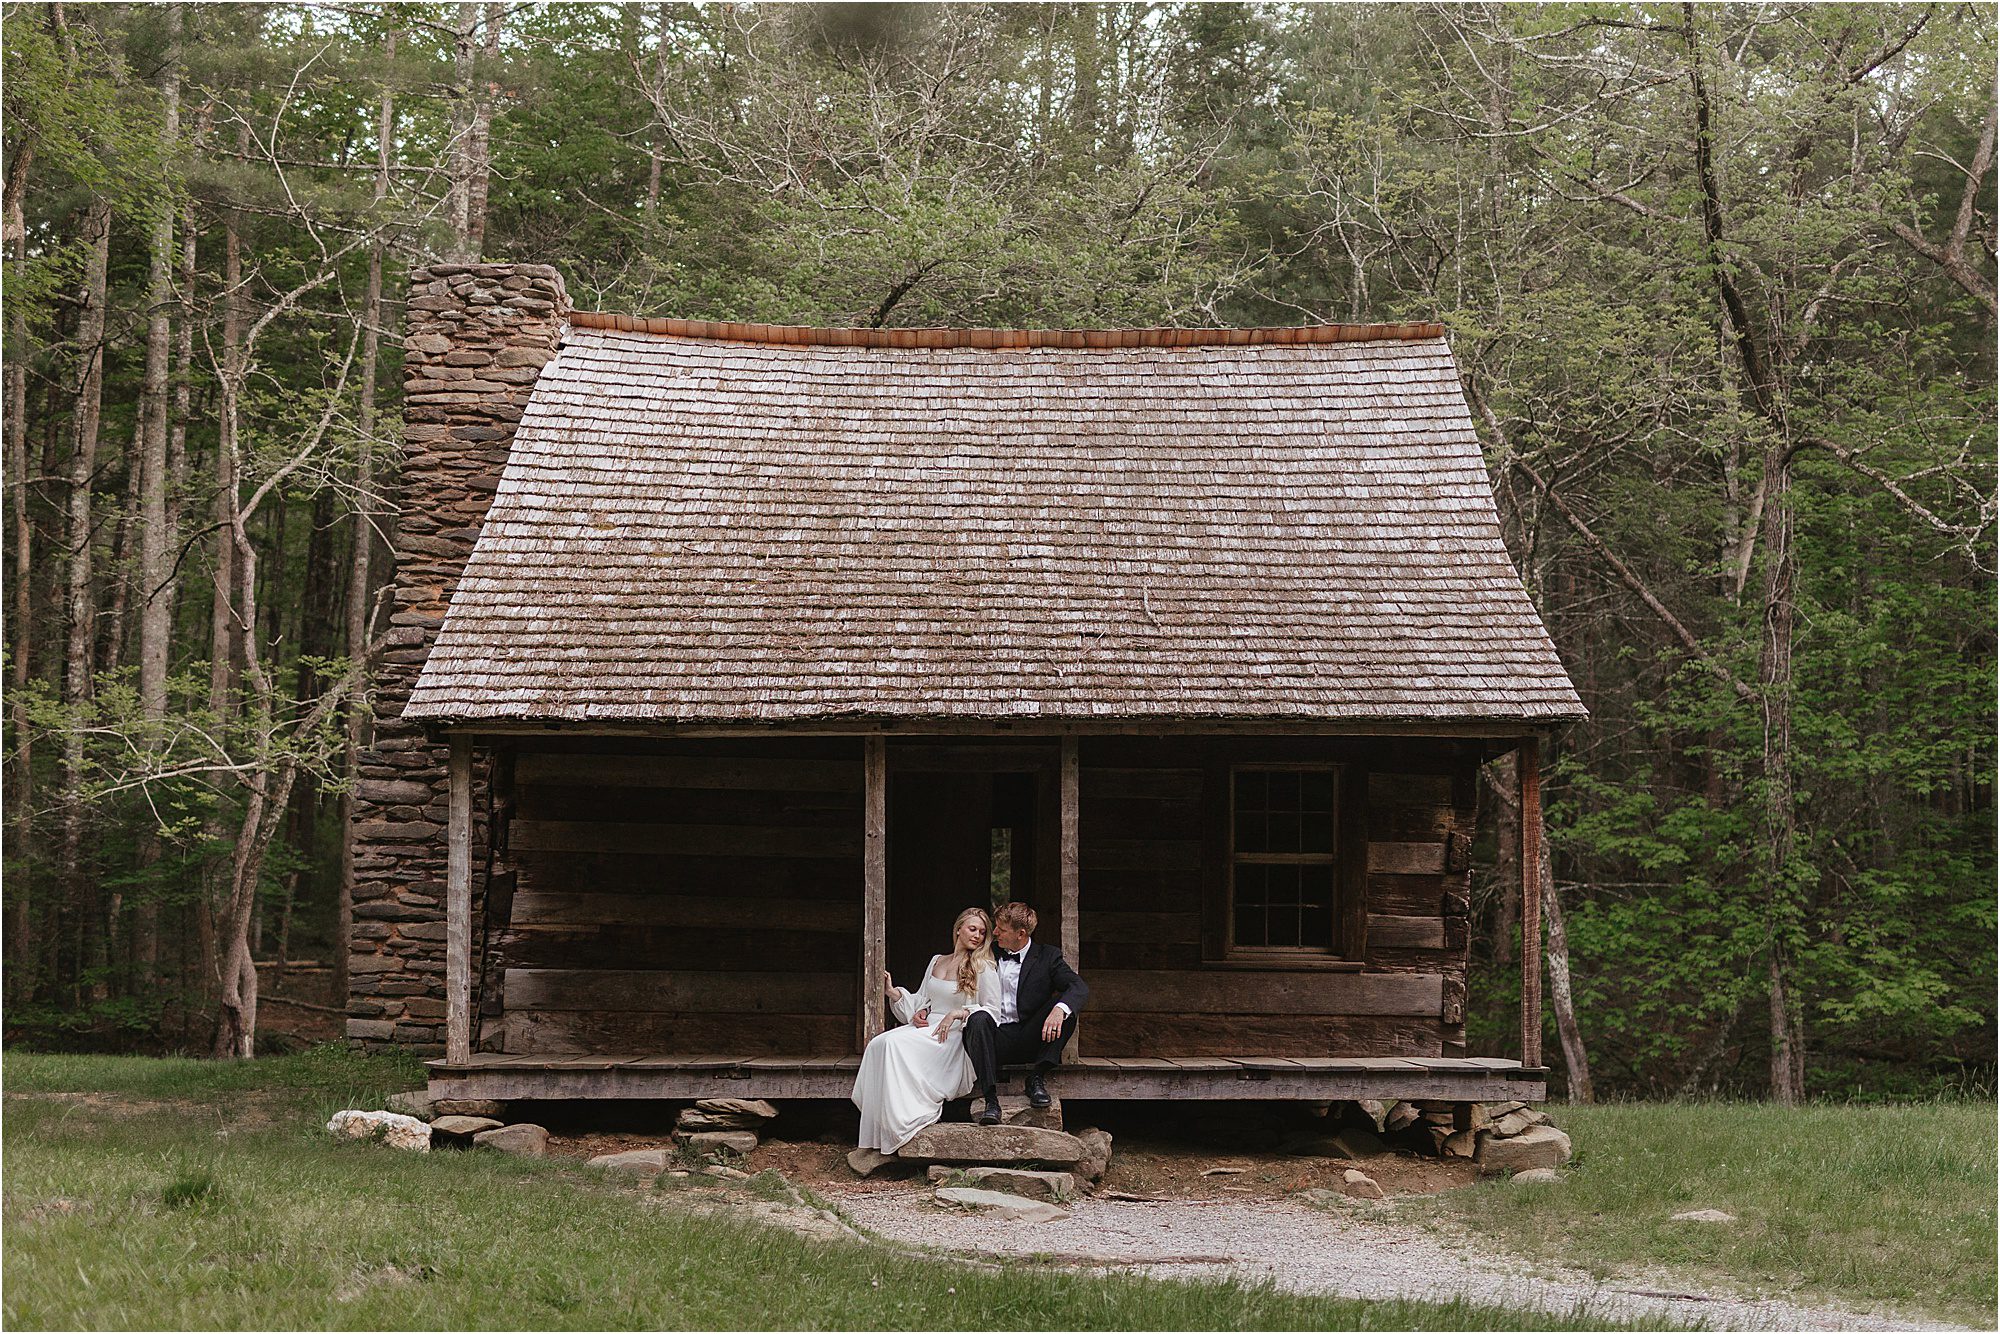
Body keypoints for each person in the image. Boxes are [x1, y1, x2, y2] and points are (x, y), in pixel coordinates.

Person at [851, 906, 1000, 1153]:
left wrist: (958, 1013)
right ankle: (883, 1121)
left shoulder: (983, 965)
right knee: (879, 1043)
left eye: (982, 932)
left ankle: (904, 1120)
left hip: (952, 1034)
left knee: (893, 1046)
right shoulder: (936, 960)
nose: (977, 936)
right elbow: (922, 1001)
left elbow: (993, 1011)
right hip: (928, 1027)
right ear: (959, 929)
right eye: (972, 929)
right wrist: (894, 992)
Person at [961, 900, 1088, 1125]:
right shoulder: (986, 953)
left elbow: (1078, 987)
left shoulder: (1048, 956)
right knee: (978, 1019)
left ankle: (1037, 1078)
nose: (995, 932)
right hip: (994, 1037)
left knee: (1065, 1009)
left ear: (1020, 934)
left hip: (1031, 1036)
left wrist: (1059, 1010)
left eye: (1001, 929)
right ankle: (991, 1100)